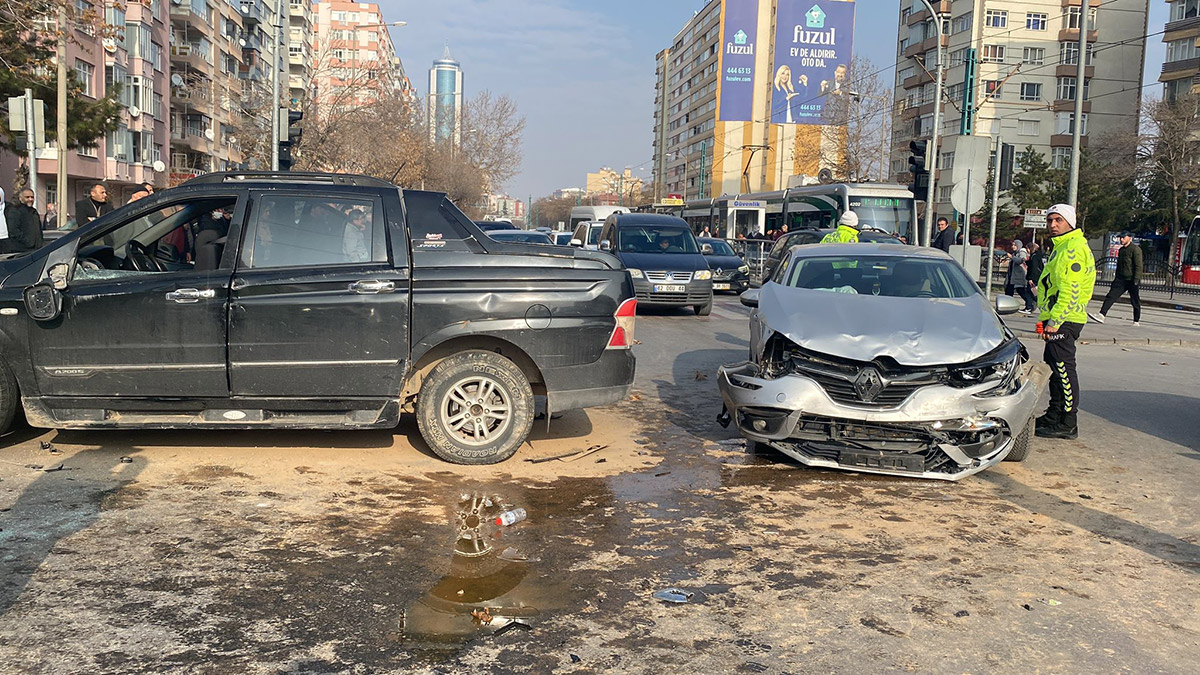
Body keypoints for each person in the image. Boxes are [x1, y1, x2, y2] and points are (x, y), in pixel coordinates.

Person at [1035, 204, 1096, 440]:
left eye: (1058, 220)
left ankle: (1068, 422)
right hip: (1058, 318)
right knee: (1054, 368)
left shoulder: (1073, 248)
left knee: (1063, 369)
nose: (1052, 225)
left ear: (1070, 222)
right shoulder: (1062, 246)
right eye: (1050, 220)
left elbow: (1071, 291)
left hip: (1066, 319)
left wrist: (1055, 321)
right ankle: (1054, 415)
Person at [1089, 232, 1143, 327]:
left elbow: (1138, 265)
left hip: (1131, 279)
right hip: (1121, 279)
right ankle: (1102, 315)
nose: (1121, 239)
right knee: (1111, 296)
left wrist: (1136, 280)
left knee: (1135, 300)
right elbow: (1119, 265)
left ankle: (1136, 320)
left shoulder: (1135, 249)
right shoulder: (1121, 250)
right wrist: (1116, 278)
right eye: (1120, 237)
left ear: (1129, 238)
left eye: (1123, 237)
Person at [0, 187, 43, 254]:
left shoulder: (34, 212)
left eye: (32, 197)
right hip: (22, 250)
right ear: (21, 198)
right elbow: (13, 231)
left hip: (36, 249)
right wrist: (28, 242)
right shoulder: (15, 211)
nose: (30, 199)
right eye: (27, 197)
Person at [1005, 239, 1035, 313]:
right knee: (1008, 290)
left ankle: (1030, 304)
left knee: (1021, 290)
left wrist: (1012, 257)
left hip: (1020, 276)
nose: (1013, 246)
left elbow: (1020, 260)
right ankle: (1008, 305)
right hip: (1012, 276)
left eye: (1015, 245)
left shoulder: (1021, 252)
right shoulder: (1015, 253)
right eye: (1012, 245)